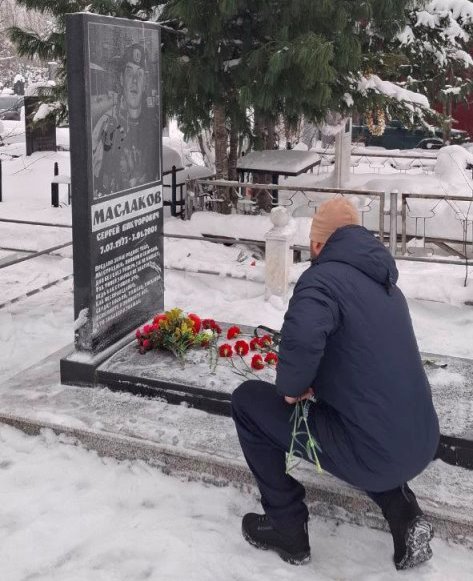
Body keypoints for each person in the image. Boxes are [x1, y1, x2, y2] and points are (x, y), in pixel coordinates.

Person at [231, 197, 439, 570]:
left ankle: (286, 526)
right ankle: (404, 515)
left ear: (317, 243)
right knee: (364, 426)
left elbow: (303, 340)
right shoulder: (386, 284)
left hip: (372, 450)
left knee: (248, 402)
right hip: (420, 441)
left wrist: (292, 389)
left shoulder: (322, 280)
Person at [92, 42, 159, 198]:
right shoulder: (106, 124)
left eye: (140, 74)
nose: (134, 80)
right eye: (129, 73)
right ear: (122, 79)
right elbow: (95, 181)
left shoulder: (153, 124)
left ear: (145, 83)